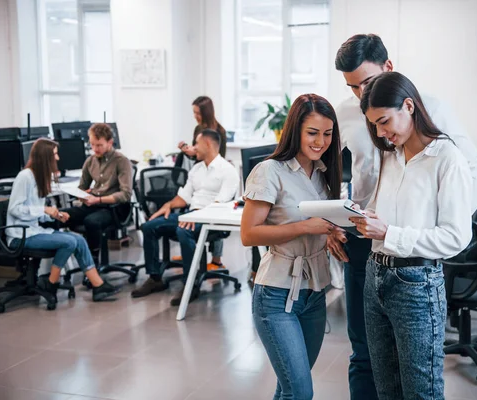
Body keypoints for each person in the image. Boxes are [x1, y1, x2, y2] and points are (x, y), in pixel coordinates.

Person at [330, 33, 477, 400]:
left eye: (366, 84)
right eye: (352, 87)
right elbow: (327, 167)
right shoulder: (389, 146)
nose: (380, 133)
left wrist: (431, 225)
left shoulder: (437, 138)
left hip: (414, 266)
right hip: (371, 254)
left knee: (419, 385)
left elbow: (459, 218)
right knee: (372, 363)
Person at [350, 71, 473, 399]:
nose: (380, 132)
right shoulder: (390, 156)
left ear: (409, 105)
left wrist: (389, 232)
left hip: (416, 284)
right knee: (386, 388)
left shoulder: (447, 159)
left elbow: (455, 237)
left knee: (421, 392)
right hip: (375, 276)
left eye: (384, 121)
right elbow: (388, 216)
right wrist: (368, 219)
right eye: (374, 125)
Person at [241, 94, 342, 399]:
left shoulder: (324, 172)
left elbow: (318, 224)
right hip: (276, 294)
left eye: (327, 134)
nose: (320, 141)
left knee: (289, 388)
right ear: (295, 130)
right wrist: (305, 226)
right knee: (299, 392)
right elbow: (249, 235)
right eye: (313, 133)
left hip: (314, 292)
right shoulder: (270, 171)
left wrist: (330, 233)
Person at [131, 129, 239, 305]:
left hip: (212, 219)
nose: (194, 147)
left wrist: (197, 216)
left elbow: (221, 204)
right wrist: (169, 205)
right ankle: (155, 278)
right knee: (149, 226)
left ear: (208, 144)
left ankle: (191, 284)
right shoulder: (196, 169)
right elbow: (184, 197)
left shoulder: (228, 170)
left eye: (197, 143)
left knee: (183, 231)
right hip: (191, 214)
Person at [6, 138, 120, 302]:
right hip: (20, 236)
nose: (58, 158)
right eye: (55, 154)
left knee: (79, 240)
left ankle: (98, 286)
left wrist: (54, 214)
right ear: (45, 157)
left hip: (33, 230)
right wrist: (45, 210)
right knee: (69, 242)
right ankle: (51, 283)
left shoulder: (39, 176)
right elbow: (15, 209)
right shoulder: (25, 177)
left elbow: (34, 211)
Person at [60, 123, 133, 264]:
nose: (95, 149)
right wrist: (80, 194)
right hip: (93, 205)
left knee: (91, 222)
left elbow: (125, 195)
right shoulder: (90, 161)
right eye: (92, 144)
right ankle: (57, 263)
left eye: (99, 145)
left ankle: (91, 263)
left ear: (110, 142)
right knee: (60, 215)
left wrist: (98, 200)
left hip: (115, 208)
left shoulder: (121, 161)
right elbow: (82, 187)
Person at [177, 95, 228, 269]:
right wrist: (187, 151)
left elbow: (217, 156)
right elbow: (197, 153)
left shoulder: (219, 131)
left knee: (215, 207)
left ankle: (216, 259)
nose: (195, 116)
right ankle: (192, 253)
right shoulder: (198, 128)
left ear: (205, 112)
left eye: (197, 113)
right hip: (199, 173)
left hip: (214, 175)